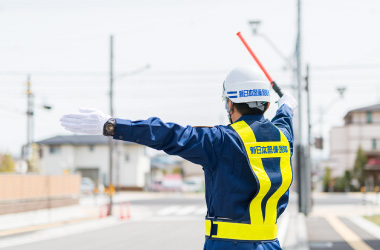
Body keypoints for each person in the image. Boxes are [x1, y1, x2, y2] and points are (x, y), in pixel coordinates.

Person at [60, 65, 297, 250]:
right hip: (270, 244)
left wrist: (111, 125)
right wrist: (286, 106)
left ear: (230, 103)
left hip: (227, 245)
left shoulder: (221, 141)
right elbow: (283, 118)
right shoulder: (283, 137)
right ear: (267, 103)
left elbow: (168, 134)